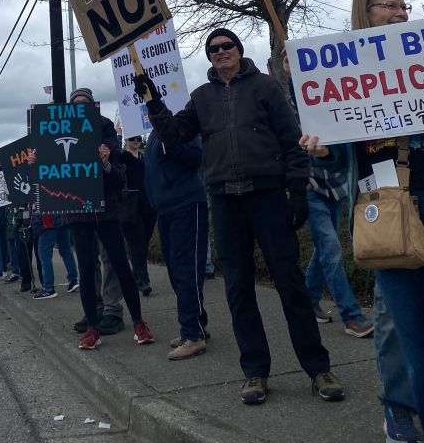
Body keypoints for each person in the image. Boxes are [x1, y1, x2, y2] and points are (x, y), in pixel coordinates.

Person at [301, 0, 424, 443]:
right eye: (389, 5)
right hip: (379, 212)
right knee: (414, 344)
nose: (400, 12)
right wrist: (321, 151)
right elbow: (341, 156)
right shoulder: (343, 77)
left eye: (404, 5)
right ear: (366, 11)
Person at [135, 28, 344, 405]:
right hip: (225, 201)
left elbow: (291, 140)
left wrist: (297, 189)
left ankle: (318, 368)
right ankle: (254, 372)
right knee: (238, 290)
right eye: (213, 49)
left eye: (226, 46)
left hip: (267, 197)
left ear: (239, 50)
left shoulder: (265, 88)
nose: (220, 52)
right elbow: (175, 134)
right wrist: (153, 103)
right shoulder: (201, 98)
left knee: (290, 285)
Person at [28, 85, 155, 350]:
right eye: (76, 103)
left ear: (93, 106)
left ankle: (139, 322)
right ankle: (93, 327)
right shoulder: (56, 132)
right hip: (78, 213)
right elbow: (44, 179)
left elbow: (119, 178)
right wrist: (35, 163)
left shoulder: (106, 130)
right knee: (86, 268)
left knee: (120, 264)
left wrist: (107, 161)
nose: (80, 106)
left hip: (106, 210)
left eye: (86, 103)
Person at [281, 50, 373, 338]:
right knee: (331, 247)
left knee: (324, 249)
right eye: (287, 62)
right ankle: (351, 315)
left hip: (336, 184)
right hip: (311, 188)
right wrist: (295, 181)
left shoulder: (332, 96)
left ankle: (308, 299)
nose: (293, 66)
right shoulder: (284, 107)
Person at [144, 125, 209, 359]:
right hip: (166, 208)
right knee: (175, 268)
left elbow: (195, 159)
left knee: (185, 268)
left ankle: (193, 335)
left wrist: (171, 143)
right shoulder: (153, 131)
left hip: (186, 204)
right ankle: (196, 323)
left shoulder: (182, 125)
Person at [119, 134, 157, 295]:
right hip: (131, 207)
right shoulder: (122, 158)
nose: (135, 141)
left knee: (144, 243)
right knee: (136, 244)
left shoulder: (146, 157)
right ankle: (143, 280)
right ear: (126, 140)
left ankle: (136, 276)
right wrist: (118, 133)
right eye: (132, 138)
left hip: (148, 205)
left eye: (138, 139)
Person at [31, 212, 79, 299]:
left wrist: (36, 224)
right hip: (63, 219)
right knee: (66, 251)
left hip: (48, 219)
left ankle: (48, 288)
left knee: (44, 255)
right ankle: (73, 280)